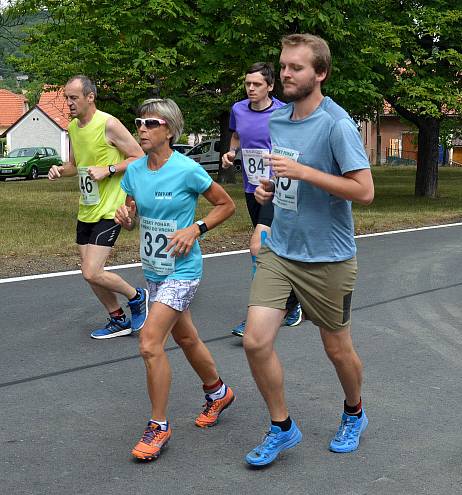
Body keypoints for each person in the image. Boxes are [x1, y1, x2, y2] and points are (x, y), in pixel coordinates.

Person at [243, 34, 374, 467]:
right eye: (283, 66)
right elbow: (285, 183)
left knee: (337, 349)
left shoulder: (337, 124)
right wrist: (269, 192)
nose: (285, 74)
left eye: (296, 68)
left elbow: (364, 191)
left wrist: (304, 171)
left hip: (328, 257)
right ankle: (282, 427)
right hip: (281, 251)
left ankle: (354, 411)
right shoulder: (278, 122)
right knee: (255, 342)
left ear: (320, 73)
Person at [115, 98, 237, 461]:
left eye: (150, 123)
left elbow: (226, 205)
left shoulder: (187, 169)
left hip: (183, 271)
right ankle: (218, 392)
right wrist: (127, 219)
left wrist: (195, 229)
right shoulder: (134, 172)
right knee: (185, 336)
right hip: (154, 270)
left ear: (168, 128)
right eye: (139, 122)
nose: (142, 129)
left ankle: (158, 426)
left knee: (150, 342)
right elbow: (133, 215)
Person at [47, 75, 149, 339]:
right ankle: (117, 318)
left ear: (90, 97)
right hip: (87, 208)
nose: (68, 103)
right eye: (66, 98)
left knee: (92, 270)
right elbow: (75, 165)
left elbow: (139, 156)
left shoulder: (109, 124)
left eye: (73, 98)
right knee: (89, 273)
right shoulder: (72, 127)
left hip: (111, 209)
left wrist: (109, 169)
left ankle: (136, 296)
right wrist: (60, 170)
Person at [220, 62, 302, 338]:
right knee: (271, 246)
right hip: (250, 186)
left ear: (270, 86)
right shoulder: (238, 109)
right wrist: (231, 153)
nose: (251, 89)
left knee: (259, 246)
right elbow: (236, 136)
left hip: (275, 187)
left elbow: (294, 144)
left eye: (257, 84)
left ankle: (261, 313)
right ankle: (292, 300)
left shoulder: (283, 111)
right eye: (247, 84)